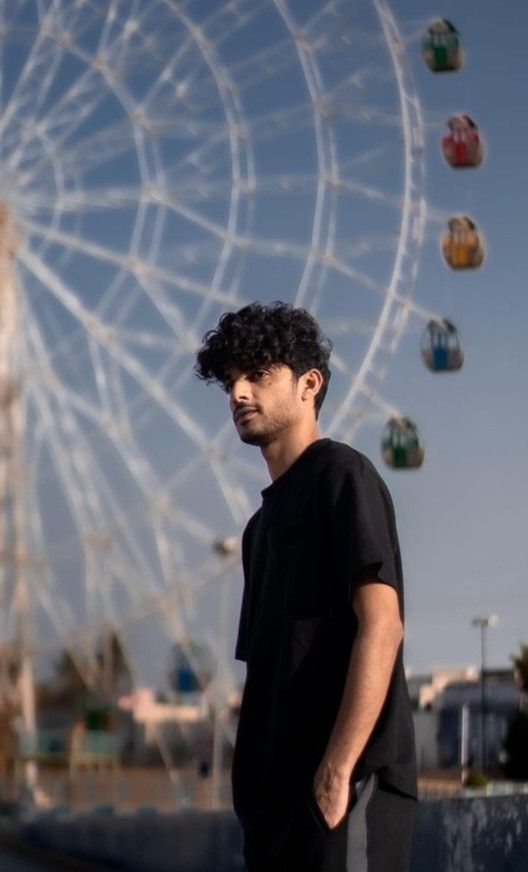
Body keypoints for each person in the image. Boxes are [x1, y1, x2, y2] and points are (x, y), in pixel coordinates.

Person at [195, 302, 417, 872]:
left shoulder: (343, 478)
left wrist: (339, 768)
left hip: (341, 799)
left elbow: (382, 625)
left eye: (258, 375)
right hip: (274, 813)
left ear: (308, 384)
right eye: (231, 381)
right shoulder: (258, 531)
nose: (239, 393)